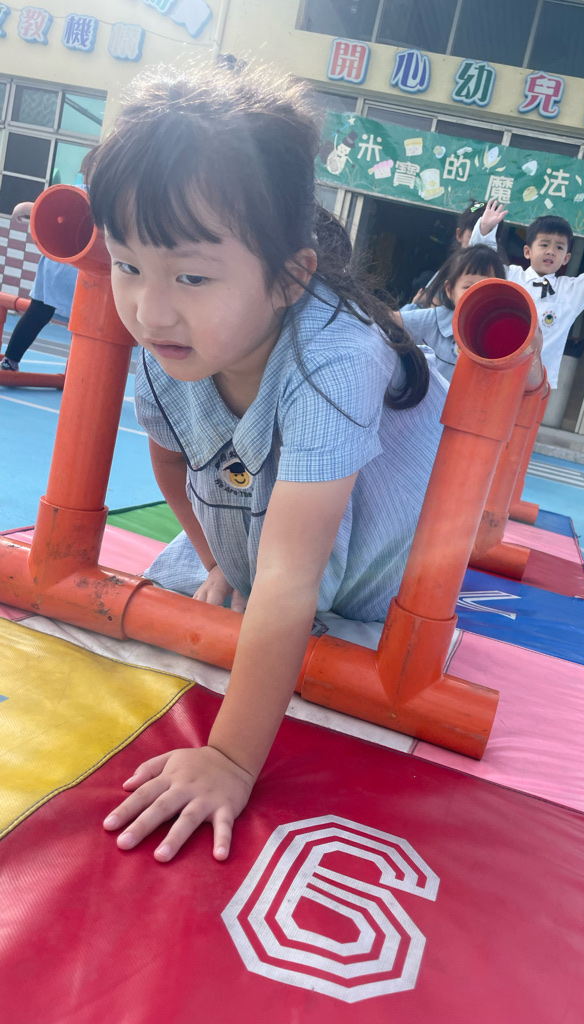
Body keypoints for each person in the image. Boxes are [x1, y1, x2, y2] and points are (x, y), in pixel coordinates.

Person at [87, 60, 447, 863]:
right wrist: (218, 562)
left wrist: (229, 756)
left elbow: (290, 579)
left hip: (374, 549)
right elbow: (174, 464)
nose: (149, 307)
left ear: (289, 278)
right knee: (230, 551)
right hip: (265, 513)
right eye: (126, 263)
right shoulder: (167, 341)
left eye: (190, 275)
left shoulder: (335, 358)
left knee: (312, 586)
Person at [469, 201, 584, 388]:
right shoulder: (510, 275)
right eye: (544, 244)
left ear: (566, 259)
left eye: (559, 248)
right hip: (492, 371)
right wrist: (485, 229)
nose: (551, 251)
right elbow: (483, 263)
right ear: (527, 251)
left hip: (535, 385)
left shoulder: (570, 291)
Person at [401, 245, 507, 381]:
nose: (477, 294)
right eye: (468, 287)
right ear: (450, 290)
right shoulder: (433, 319)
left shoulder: (502, 338)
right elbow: (387, 323)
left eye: (486, 287)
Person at [0, 201, 78, 372]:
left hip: (69, 264)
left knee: (39, 312)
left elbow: (50, 208)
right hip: (72, 265)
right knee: (82, 323)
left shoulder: (88, 195)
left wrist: (25, 207)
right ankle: (78, 373)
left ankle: (10, 360)